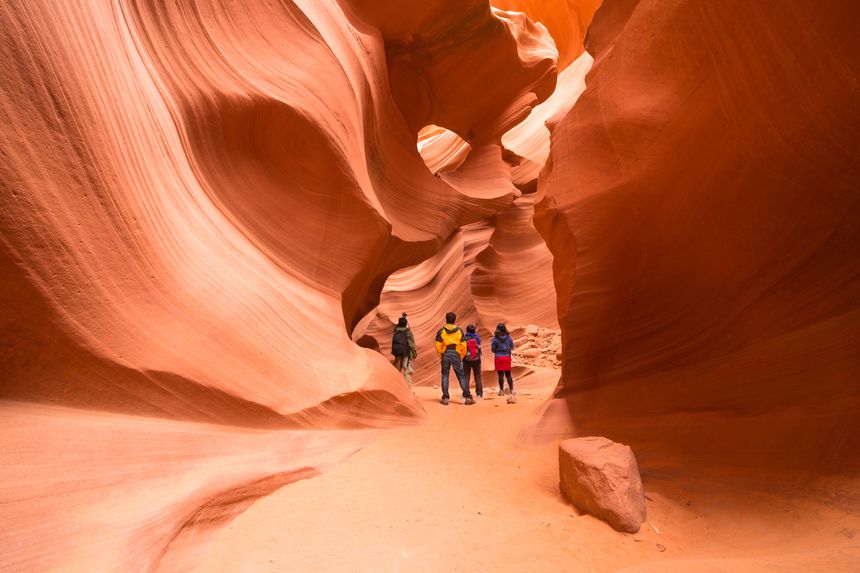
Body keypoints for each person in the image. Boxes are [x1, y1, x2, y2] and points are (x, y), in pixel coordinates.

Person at [434, 311, 474, 405]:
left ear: (446, 320)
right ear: (454, 320)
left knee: (445, 376)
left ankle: (445, 398)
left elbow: (438, 345)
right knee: (461, 376)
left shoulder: (441, 331)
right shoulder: (459, 331)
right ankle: (468, 397)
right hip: (456, 353)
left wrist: (441, 354)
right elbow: (464, 345)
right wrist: (461, 355)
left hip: (445, 354)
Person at [391, 313, 417, 388]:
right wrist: (414, 353)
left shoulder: (396, 330)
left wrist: (403, 318)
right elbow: (412, 343)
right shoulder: (408, 332)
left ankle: (394, 387)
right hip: (406, 354)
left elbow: (398, 325)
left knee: (396, 370)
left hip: (398, 353)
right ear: (406, 324)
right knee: (407, 372)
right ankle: (408, 389)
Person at [491, 323, 515, 398]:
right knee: (508, 375)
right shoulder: (509, 337)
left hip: (498, 357)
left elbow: (493, 350)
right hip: (506, 357)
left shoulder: (494, 338)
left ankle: (501, 391)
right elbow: (512, 346)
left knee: (500, 375)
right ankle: (511, 390)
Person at [462, 324, 483, 398]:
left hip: (466, 359)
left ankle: (466, 393)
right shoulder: (477, 338)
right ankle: (479, 393)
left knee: (466, 376)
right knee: (477, 376)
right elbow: (479, 347)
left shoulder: (464, 338)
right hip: (476, 359)